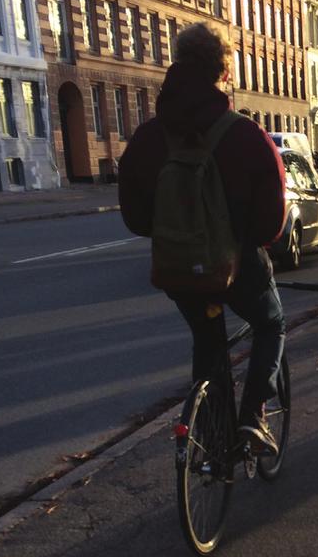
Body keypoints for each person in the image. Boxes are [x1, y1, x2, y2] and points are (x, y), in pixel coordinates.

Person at [118, 23, 286, 454]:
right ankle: (252, 417)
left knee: (207, 340)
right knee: (270, 323)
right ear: (225, 72)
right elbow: (271, 225)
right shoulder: (247, 135)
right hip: (236, 267)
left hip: (178, 270)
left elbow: (135, 218)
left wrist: (175, 231)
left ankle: (210, 439)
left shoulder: (149, 137)